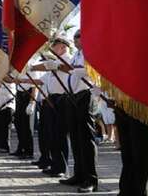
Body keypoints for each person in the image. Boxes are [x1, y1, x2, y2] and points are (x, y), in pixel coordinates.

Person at [57, 30, 98, 193]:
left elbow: (90, 69)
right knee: (75, 137)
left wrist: (66, 67)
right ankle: (79, 174)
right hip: (73, 97)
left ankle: (91, 179)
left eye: (78, 37)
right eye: (74, 38)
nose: (75, 41)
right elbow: (72, 69)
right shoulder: (76, 55)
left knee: (86, 139)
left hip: (86, 95)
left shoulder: (90, 52)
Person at [29, 37, 72, 179]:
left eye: (55, 45)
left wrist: (33, 67)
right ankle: (55, 165)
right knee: (53, 134)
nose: (52, 48)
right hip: (52, 99)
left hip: (62, 99)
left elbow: (49, 65)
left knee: (59, 135)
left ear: (63, 46)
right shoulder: (57, 61)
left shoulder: (67, 59)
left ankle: (62, 167)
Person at [115, 107, 148, 196]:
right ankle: (127, 190)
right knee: (127, 155)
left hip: (141, 106)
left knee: (141, 154)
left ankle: (141, 191)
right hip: (121, 105)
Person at [0, 83, 15, 152]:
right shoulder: (1, 84)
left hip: (8, 107)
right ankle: (0, 144)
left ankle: (6, 146)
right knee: (0, 127)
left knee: (6, 128)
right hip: (0, 107)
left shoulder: (10, 84)